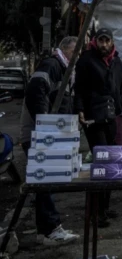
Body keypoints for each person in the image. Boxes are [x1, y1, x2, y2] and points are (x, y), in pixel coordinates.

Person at [19, 37, 80, 246]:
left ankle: (46, 229)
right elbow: (36, 92)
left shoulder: (65, 70)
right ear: (64, 50)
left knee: (44, 182)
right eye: (75, 52)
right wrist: (45, 126)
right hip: (39, 135)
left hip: (46, 134)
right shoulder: (53, 64)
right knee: (44, 181)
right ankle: (49, 230)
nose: (77, 56)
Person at [75, 28, 122, 227]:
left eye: (107, 40)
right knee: (101, 163)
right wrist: (80, 110)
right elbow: (78, 88)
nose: (104, 44)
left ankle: (104, 208)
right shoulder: (86, 60)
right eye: (101, 40)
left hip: (111, 116)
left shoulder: (117, 61)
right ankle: (95, 213)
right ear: (96, 42)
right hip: (93, 119)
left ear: (112, 41)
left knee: (111, 163)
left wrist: (121, 103)